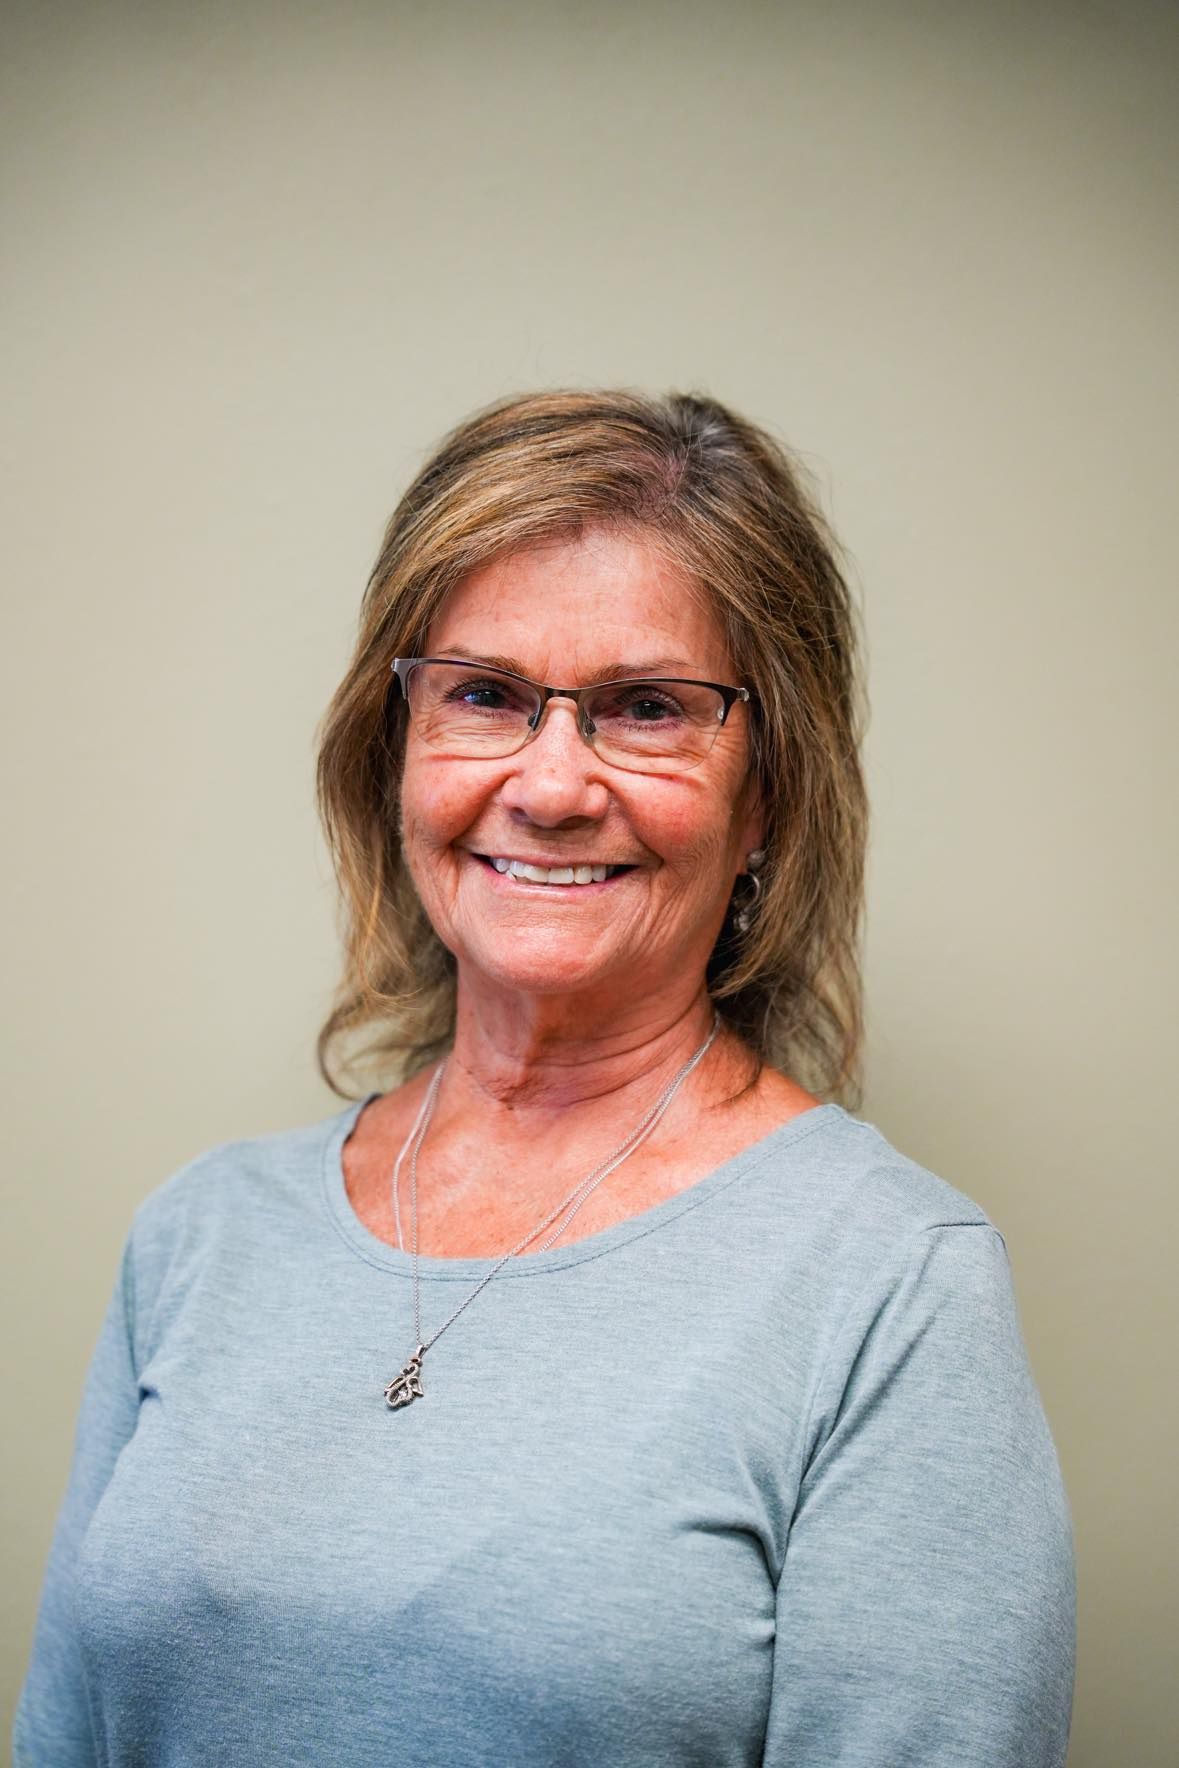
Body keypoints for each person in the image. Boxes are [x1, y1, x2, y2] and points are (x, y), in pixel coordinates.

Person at [14, 389, 1076, 1766]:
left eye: (646, 707)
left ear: (767, 798)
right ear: (395, 751)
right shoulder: (199, 1238)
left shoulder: (891, 1285)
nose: (553, 783)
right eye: (485, 696)